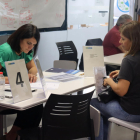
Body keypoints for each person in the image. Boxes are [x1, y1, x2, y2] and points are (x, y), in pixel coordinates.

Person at [91, 21, 140, 140]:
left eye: (123, 39)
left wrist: (109, 81)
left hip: (131, 113)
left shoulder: (129, 60)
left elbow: (120, 91)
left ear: (133, 40)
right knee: (103, 110)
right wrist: (122, 73)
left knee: (93, 104)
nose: (120, 42)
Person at [0, 24, 43, 140]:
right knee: (30, 106)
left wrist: (31, 75)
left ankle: (15, 134)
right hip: (4, 94)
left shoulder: (25, 50)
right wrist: (10, 79)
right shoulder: (5, 51)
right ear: (19, 38)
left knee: (37, 105)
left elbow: (33, 68)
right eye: (29, 43)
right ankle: (13, 134)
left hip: (16, 91)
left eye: (34, 45)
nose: (30, 47)